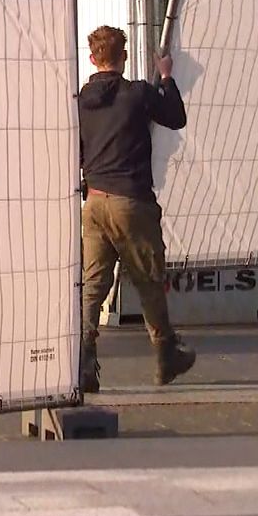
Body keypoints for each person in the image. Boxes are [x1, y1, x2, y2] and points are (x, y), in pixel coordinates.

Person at [78, 25, 195, 393]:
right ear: (124, 57)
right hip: (132, 201)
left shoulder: (80, 99)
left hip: (94, 202)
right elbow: (175, 116)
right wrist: (166, 76)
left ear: (92, 58)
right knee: (148, 280)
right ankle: (165, 356)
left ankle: (83, 361)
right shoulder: (138, 94)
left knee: (93, 286)